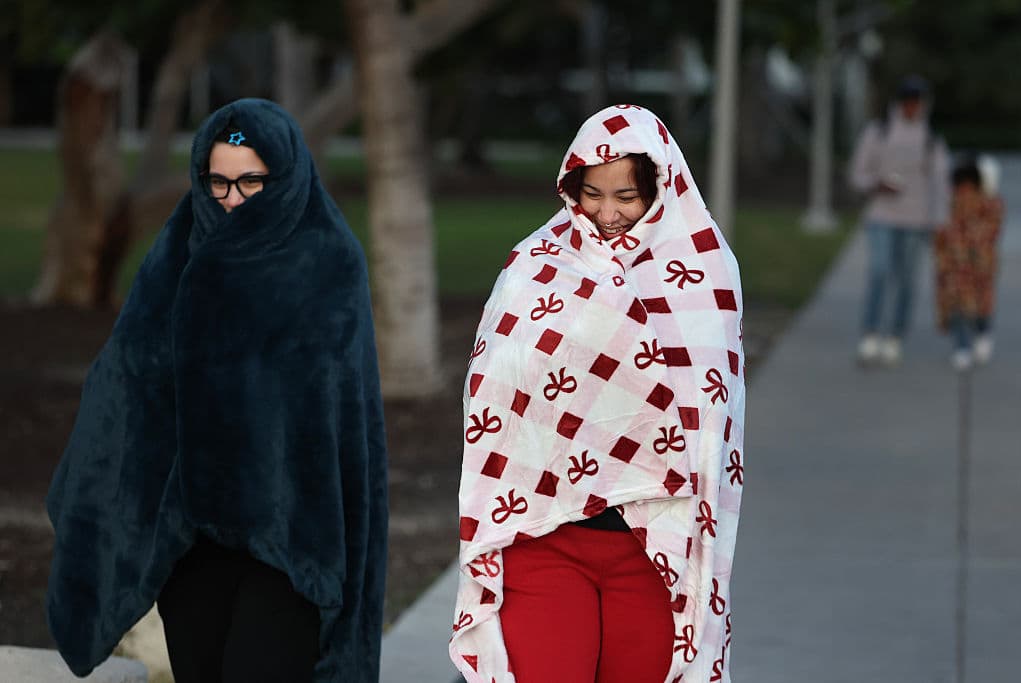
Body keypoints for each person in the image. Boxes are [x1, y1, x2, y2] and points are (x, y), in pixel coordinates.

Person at [45, 98, 388, 682]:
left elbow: (347, 419)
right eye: (218, 182)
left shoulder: (330, 262)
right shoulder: (177, 252)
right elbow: (129, 379)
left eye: (251, 181)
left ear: (284, 176)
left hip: (289, 543)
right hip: (191, 540)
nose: (231, 199)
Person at [449, 105, 745, 682]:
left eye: (626, 196)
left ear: (660, 188)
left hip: (655, 551)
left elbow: (712, 417)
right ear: (571, 186)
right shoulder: (535, 265)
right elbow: (493, 394)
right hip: (543, 534)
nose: (607, 214)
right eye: (592, 194)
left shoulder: (705, 271)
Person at [849, 74, 951, 366]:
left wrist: (940, 222)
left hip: (916, 219)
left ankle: (895, 335)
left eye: (917, 101)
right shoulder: (879, 132)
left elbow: (940, 183)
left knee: (906, 280)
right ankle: (870, 332)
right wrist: (876, 184)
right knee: (880, 271)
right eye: (908, 101)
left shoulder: (931, 139)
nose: (912, 107)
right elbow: (858, 174)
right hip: (882, 214)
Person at [934, 154, 1004, 371]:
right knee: (961, 307)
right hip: (958, 266)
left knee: (979, 306)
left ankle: (979, 336)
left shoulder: (989, 202)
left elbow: (991, 230)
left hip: (977, 265)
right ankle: (963, 346)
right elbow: (942, 232)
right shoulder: (952, 200)